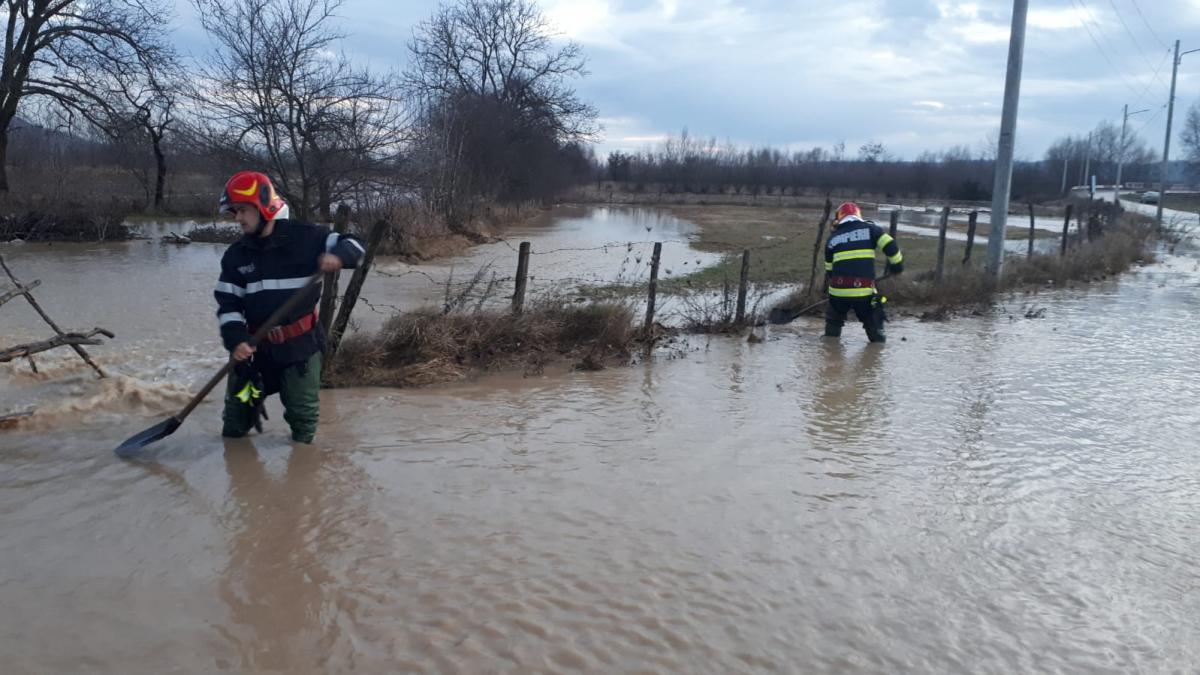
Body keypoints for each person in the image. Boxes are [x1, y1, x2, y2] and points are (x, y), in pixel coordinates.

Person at [213, 171, 365, 443]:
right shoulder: (235, 256)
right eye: (234, 211)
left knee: (303, 424)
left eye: (243, 210)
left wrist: (340, 255)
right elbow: (228, 305)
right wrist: (236, 340)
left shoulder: (309, 237)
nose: (238, 218)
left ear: (263, 207)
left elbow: (357, 246)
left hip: (300, 350)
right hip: (254, 354)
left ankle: (304, 465)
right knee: (235, 423)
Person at [823, 201, 903, 343]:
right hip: (864, 291)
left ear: (839, 217)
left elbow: (829, 270)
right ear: (858, 214)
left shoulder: (832, 239)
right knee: (873, 319)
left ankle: (829, 345)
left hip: (838, 291)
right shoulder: (871, 229)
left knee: (833, 321)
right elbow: (890, 245)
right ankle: (877, 344)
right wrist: (897, 266)